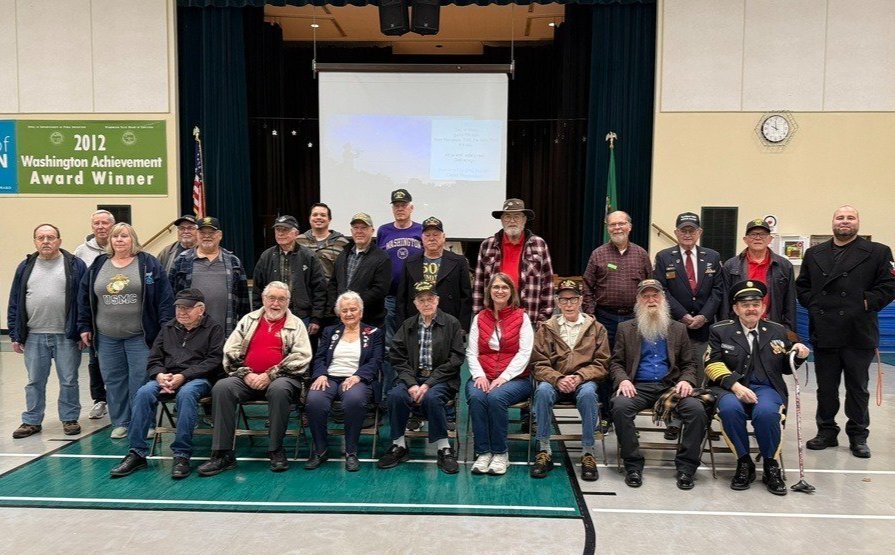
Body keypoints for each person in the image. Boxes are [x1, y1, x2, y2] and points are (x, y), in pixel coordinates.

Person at [796, 205, 895, 458]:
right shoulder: (814, 253)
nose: (845, 222)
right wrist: (815, 303)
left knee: (857, 388)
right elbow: (803, 286)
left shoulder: (878, 252)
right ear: (832, 222)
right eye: (840, 217)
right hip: (825, 329)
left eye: (850, 218)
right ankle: (826, 432)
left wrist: (866, 301)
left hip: (858, 331)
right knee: (826, 388)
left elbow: (889, 285)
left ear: (858, 223)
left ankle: (858, 435)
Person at [198, 281, 312, 476]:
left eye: (281, 299)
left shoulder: (296, 324)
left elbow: (302, 357)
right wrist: (246, 373)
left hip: (283, 378)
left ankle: (276, 450)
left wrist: (270, 375)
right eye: (272, 298)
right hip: (247, 377)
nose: (276, 303)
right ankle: (222, 454)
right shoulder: (248, 320)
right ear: (263, 299)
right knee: (222, 387)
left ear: (288, 302)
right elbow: (230, 350)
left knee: (279, 390)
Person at [706, 280, 809, 495]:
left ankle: (771, 465)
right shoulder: (720, 331)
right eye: (745, 305)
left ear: (763, 307)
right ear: (736, 309)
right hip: (729, 387)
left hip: (766, 387)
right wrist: (735, 386)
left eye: (755, 304)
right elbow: (712, 364)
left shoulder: (777, 331)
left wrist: (798, 356)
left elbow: (786, 368)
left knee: (766, 413)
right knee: (729, 410)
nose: (751, 308)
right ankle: (744, 462)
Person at [109, 289, 224, 479]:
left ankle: (181, 455)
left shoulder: (214, 329)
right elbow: (154, 358)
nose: (181, 312)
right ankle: (136, 453)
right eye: (178, 307)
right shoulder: (168, 328)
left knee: (186, 394)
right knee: (144, 392)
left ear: (200, 309)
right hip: (167, 377)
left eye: (187, 308)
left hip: (199, 379)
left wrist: (184, 376)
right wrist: (159, 375)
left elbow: (214, 361)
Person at [78, 222, 174, 439]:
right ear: (110, 241)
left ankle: (145, 423)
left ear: (133, 239)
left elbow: (165, 298)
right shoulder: (99, 264)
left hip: (140, 336)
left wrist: (165, 328)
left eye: (124, 236)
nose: (119, 240)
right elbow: (84, 298)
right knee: (113, 380)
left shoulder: (148, 263)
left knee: (141, 380)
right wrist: (84, 325)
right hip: (106, 337)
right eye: (115, 237)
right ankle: (121, 422)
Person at [609, 279, 704, 490]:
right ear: (638, 300)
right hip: (637, 386)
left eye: (655, 296)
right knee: (620, 407)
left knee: (696, 410)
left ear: (663, 299)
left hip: (670, 387)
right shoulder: (625, 328)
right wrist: (623, 379)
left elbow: (689, 364)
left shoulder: (678, 329)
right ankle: (633, 465)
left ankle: (686, 468)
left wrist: (686, 381)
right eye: (646, 296)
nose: (651, 300)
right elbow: (615, 362)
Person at [8, 224, 87, 439]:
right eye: (40, 237)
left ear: (59, 241)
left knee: (69, 379)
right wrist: (16, 334)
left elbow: (85, 300)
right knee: (34, 380)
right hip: (34, 335)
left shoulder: (75, 265)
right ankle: (31, 420)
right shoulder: (25, 267)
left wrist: (83, 328)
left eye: (50, 237)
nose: (45, 241)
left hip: (66, 334)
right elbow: (15, 301)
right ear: (35, 241)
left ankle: (69, 418)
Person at [377, 281, 464, 474]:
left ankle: (444, 448)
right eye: (421, 300)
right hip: (413, 378)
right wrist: (411, 383)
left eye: (430, 299)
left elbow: (457, 357)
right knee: (395, 396)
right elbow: (397, 357)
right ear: (415, 304)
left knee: (433, 398)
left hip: (441, 380)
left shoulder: (451, 323)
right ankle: (399, 445)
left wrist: (429, 383)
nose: (426, 303)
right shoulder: (408, 325)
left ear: (437, 300)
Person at [530, 280, 610, 481]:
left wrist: (580, 376)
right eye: (563, 299)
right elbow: (539, 363)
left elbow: (602, 363)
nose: (568, 304)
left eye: (573, 299)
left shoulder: (597, 328)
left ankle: (587, 452)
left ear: (581, 300)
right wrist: (557, 379)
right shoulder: (547, 328)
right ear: (557, 301)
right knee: (542, 391)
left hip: (584, 381)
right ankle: (544, 449)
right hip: (555, 380)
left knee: (589, 393)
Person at [653, 212, 723, 439]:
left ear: (699, 233)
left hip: (704, 328)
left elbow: (718, 291)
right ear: (676, 233)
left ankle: (704, 420)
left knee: (704, 375)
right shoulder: (664, 257)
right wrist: (683, 315)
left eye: (692, 230)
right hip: (674, 326)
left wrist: (703, 316)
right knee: (674, 372)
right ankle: (673, 420)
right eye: (683, 230)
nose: (687, 234)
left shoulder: (712, 257)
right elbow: (661, 289)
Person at [583, 210, 653, 432]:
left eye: (621, 224)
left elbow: (650, 288)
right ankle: (605, 414)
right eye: (612, 225)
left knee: (631, 365)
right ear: (607, 228)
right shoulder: (598, 254)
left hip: (635, 320)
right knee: (604, 366)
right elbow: (587, 287)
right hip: (605, 318)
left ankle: (626, 413)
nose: (617, 228)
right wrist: (592, 315)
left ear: (629, 227)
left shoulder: (641, 255)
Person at [305, 291, 384, 472]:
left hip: (358, 379)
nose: (349, 314)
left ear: (361, 312)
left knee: (354, 400)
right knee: (314, 400)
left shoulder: (373, 333)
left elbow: (376, 361)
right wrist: (321, 374)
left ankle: (351, 452)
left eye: (353, 309)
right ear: (339, 313)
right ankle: (320, 449)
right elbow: (319, 357)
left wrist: (358, 376)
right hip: (330, 377)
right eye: (344, 310)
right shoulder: (329, 331)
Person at [465, 272, 534, 475]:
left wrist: (504, 377)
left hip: (516, 378)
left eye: (504, 287)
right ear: (490, 292)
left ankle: (501, 453)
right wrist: (479, 375)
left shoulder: (522, 317)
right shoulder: (480, 318)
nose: (500, 291)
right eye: (496, 287)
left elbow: (525, 352)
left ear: (511, 292)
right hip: (484, 374)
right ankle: (483, 452)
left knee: (496, 397)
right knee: (477, 397)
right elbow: (472, 351)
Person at [473, 198, 554, 326]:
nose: (512, 220)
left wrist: (544, 316)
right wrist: (479, 315)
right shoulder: (487, 245)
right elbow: (479, 284)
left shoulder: (539, 244)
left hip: (528, 316)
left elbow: (548, 282)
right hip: (494, 316)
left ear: (524, 219)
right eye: (507, 216)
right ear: (501, 220)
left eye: (517, 216)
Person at [170, 216, 249, 337]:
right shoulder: (181, 260)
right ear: (197, 234)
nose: (207, 236)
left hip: (225, 333)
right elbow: (170, 296)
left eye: (211, 232)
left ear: (220, 235)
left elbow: (243, 302)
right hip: (189, 332)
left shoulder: (234, 262)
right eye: (202, 232)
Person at [252, 214, 327, 337]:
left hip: (303, 317)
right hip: (273, 316)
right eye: (278, 230)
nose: (280, 233)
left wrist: (316, 318)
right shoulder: (266, 257)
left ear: (296, 233)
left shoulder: (309, 256)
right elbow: (257, 289)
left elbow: (320, 290)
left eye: (285, 230)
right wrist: (258, 314)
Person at [396, 216, 472, 332]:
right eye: (427, 235)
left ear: (444, 237)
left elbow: (466, 297)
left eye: (436, 235)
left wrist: (462, 327)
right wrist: (402, 327)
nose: (431, 238)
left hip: (449, 323)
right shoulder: (410, 262)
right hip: (416, 322)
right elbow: (402, 297)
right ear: (422, 238)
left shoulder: (459, 261)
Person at [74, 209, 115, 420]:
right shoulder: (81, 252)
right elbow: (79, 290)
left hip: (119, 315)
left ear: (112, 225)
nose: (100, 227)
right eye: (96, 223)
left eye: (104, 223)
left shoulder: (123, 246)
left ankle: (123, 400)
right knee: (94, 361)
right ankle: (100, 400)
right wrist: (83, 323)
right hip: (94, 317)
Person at [721, 218, 796, 332]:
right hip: (739, 327)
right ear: (745, 239)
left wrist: (789, 331)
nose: (758, 238)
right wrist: (725, 329)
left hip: (773, 327)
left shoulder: (784, 266)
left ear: (770, 239)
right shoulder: (731, 265)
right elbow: (725, 302)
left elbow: (790, 303)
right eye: (753, 234)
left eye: (763, 234)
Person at [329, 212, 391, 328]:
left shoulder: (382, 258)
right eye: (356, 228)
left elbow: (380, 290)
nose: (359, 231)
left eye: (364, 228)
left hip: (370, 321)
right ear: (351, 231)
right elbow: (333, 283)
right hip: (342, 319)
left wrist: (354, 305)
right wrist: (337, 305)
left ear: (372, 231)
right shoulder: (343, 254)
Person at [296, 202, 351, 330]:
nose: (319, 218)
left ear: (329, 219)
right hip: (307, 306)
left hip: (332, 306)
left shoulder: (341, 243)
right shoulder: (298, 241)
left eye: (323, 215)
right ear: (310, 218)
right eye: (315, 215)